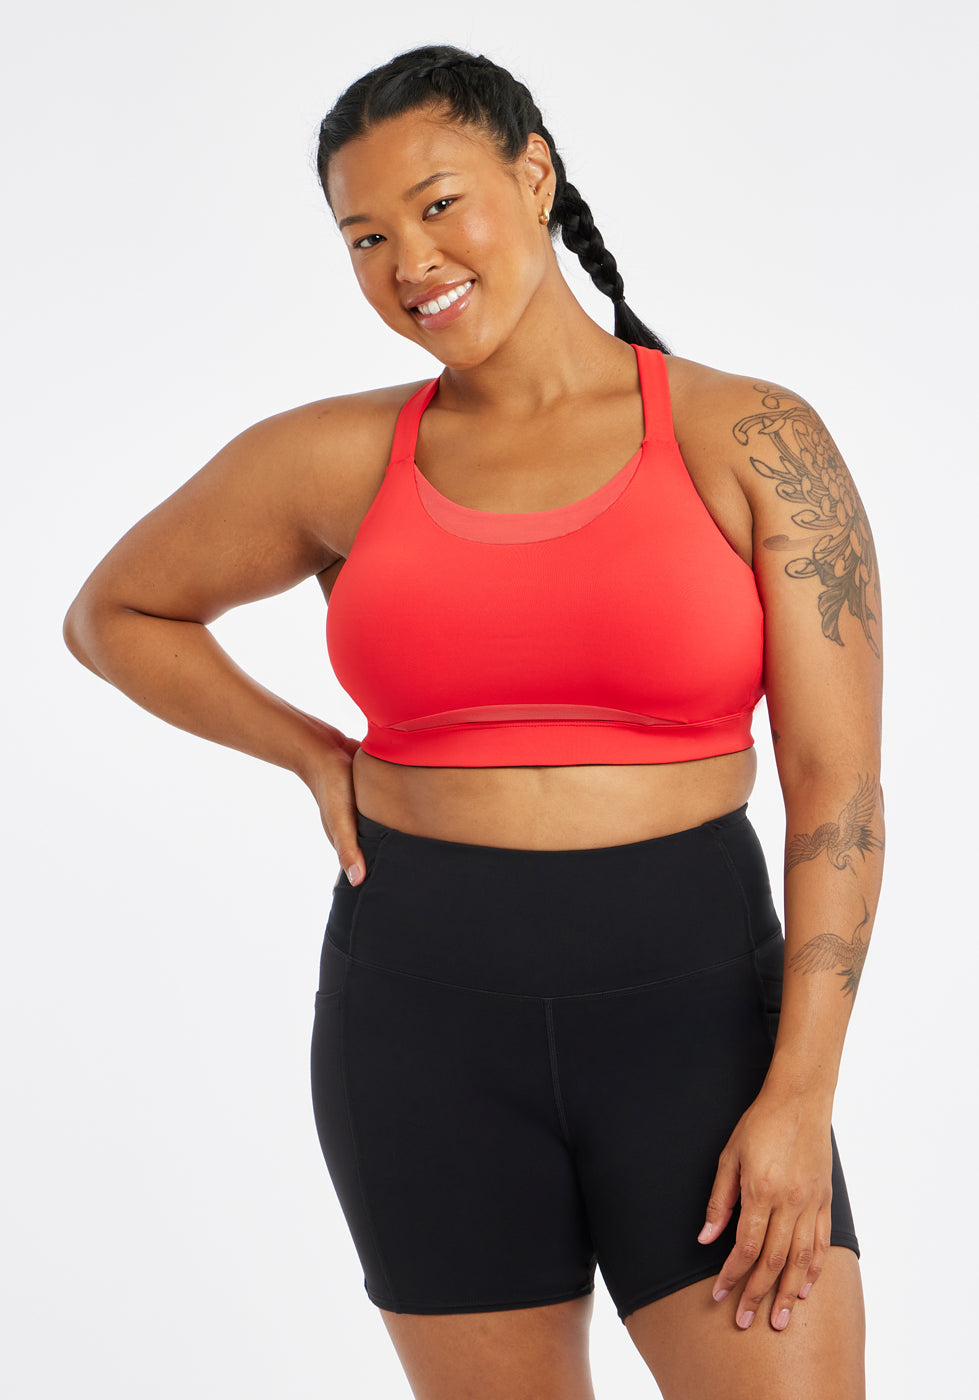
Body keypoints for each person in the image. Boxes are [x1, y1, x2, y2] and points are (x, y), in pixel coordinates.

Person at [63, 43, 884, 1400]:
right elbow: (116, 616)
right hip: (420, 1024)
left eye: (440, 204)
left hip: (699, 1025)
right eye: (366, 234)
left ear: (536, 172)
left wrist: (799, 1097)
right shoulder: (331, 457)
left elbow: (840, 791)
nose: (409, 260)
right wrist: (311, 750)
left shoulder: (752, 437)